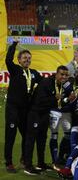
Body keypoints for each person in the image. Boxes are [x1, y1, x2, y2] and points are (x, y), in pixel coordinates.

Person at [24, 66, 69, 175]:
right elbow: (39, 100)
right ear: (56, 74)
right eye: (61, 74)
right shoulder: (46, 82)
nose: (63, 77)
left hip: (44, 114)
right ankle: (28, 166)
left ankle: (41, 163)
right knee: (31, 140)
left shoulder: (60, 85)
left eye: (65, 75)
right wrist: (55, 98)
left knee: (42, 139)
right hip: (35, 113)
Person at [4, 41, 42, 173]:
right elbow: (8, 59)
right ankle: (9, 162)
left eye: (29, 58)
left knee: (27, 135)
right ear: (19, 60)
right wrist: (13, 45)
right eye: (25, 58)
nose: (27, 60)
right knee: (11, 135)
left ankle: (25, 159)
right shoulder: (15, 70)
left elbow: (44, 84)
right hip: (13, 108)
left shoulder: (34, 73)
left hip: (26, 110)